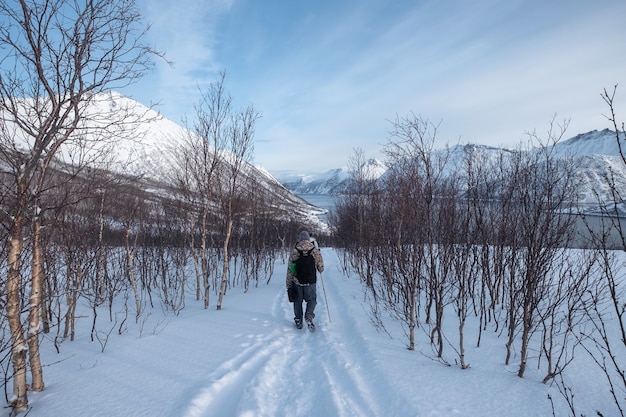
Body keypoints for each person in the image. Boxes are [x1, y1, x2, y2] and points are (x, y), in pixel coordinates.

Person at [286, 230, 324, 329]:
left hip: (297, 281)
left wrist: (289, 284)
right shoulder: (314, 250)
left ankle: (298, 320)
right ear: (308, 238)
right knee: (312, 300)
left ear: (299, 238)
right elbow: (321, 268)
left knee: (297, 301)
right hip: (311, 281)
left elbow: (290, 269)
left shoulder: (294, 250)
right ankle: (309, 316)